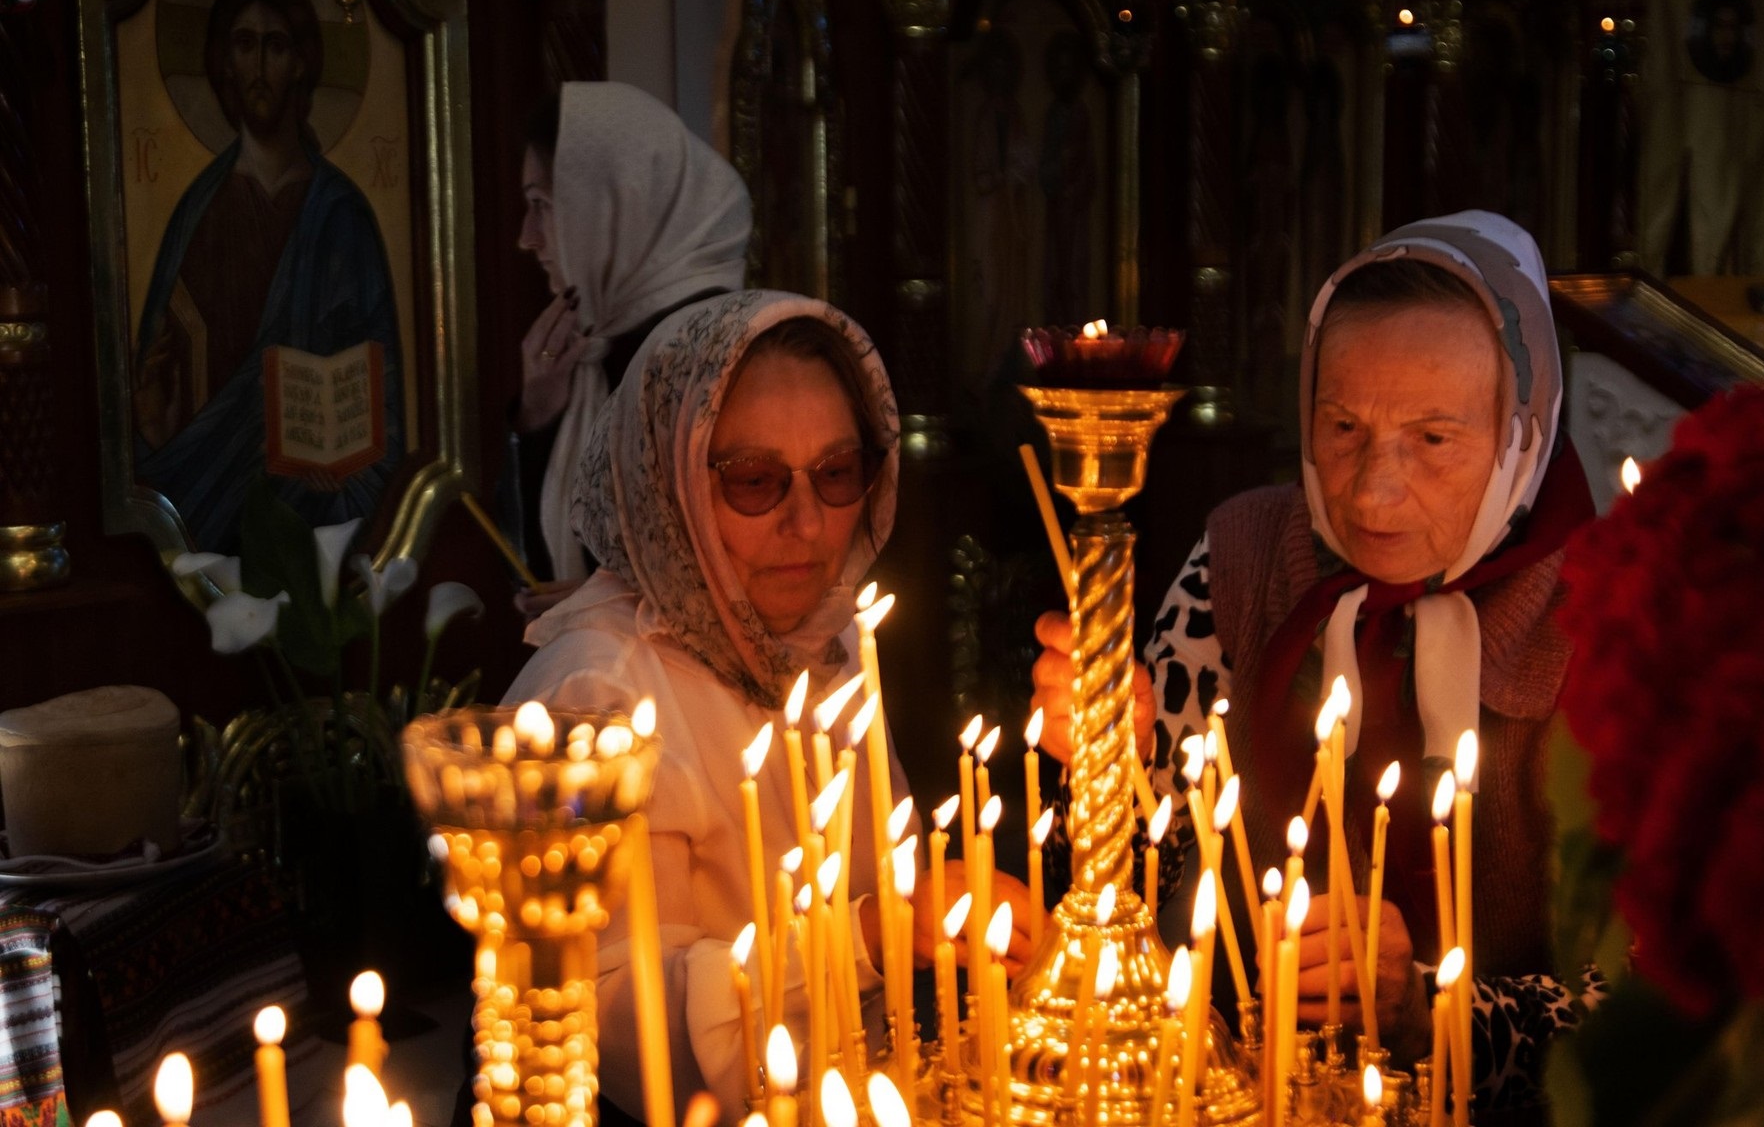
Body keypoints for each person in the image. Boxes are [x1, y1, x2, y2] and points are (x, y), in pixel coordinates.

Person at [1032, 212, 1600, 1115]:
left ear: (1522, 433)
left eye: (1433, 439)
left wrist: (1432, 1014)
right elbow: (1126, 892)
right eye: (1342, 427)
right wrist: (1112, 762)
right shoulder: (1247, 556)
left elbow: (1651, 1004)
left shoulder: (1612, 619)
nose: (1372, 490)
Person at [504, 290, 1034, 1118]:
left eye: (837, 474)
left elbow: (887, 882)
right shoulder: (596, 693)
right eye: (754, 481)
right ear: (669, 485)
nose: (808, 525)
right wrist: (868, 933)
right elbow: (613, 1030)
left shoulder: (825, 639)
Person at [133, 0, 403, 553]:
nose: (258, 67)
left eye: (276, 46)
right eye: (244, 44)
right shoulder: (197, 211)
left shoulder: (342, 214)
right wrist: (154, 423)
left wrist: (348, 455)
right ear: (224, 61)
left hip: (323, 513)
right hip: (207, 512)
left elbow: (383, 378)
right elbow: (166, 386)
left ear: (301, 62)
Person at [507, 82, 751, 617]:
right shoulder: (603, 342)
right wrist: (541, 413)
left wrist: (614, 606)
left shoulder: (708, 350)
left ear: (610, 205)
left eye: (541, 205)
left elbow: (754, 569)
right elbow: (546, 566)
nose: (527, 237)